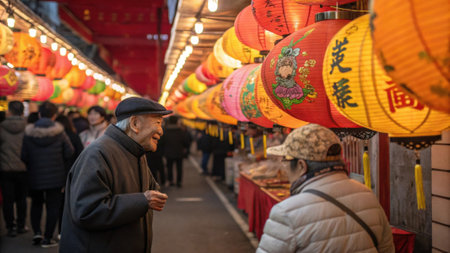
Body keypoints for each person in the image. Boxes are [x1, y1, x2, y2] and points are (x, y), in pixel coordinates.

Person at [257, 124, 394, 253]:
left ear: (301, 166)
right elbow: (387, 249)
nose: (283, 167)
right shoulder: (367, 195)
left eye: (285, 160)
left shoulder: (287, 212)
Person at [60, 97, 171, 253]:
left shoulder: (137, 152)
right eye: (157, 123)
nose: (161, 130)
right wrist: (142, 200)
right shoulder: (97, 154)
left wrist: (152, 194)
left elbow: (147, 188)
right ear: (135, 124)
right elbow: (87, 211)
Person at [21, 102, 74, 247]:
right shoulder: (60, 133)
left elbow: (23, 156)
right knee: (53, 206)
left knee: (36, 204)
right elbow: (70, 152)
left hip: (35, 175)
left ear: (39, 114)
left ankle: (37, 233)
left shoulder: (29, 132)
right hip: (56, 177)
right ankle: (48, 238)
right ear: (54, 115)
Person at [0, 101, 28, 237]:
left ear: (9, 111)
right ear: (22, 112)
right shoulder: (27, 127)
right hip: (23, 168)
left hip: (5, 169)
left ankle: (10, 227)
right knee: (22, 199)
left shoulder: (1, 127)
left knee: (8, 200)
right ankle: (21, 225)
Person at [55, 115, 84, 237]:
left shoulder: (55, 137)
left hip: (56, 172)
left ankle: (56, 231)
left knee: (57, 204)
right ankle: (66, 230)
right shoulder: (74, 136)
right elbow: (80, 153)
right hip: (72, 171)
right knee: (69, 203)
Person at [161, 116, 189, 187]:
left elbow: (162, 142)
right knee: (179, 167)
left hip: (168, 152)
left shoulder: (165, 130)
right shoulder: (181, 130)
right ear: (177, 121)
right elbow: (185, 141)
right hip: (179, 152)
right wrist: (185, 148)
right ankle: (179, 181)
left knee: (169, 167)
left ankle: (170, 180)